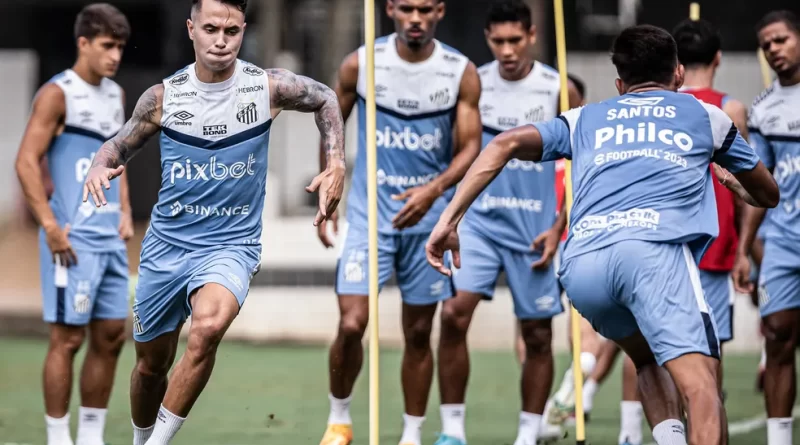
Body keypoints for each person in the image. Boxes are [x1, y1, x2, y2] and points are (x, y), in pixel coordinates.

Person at [426, 24, 778, 445]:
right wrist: (738, 186)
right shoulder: (706, 115)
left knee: (646, 357)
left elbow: (502, 144)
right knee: (701, 383)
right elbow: (767, 193)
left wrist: (448, 220)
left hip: (584, 268)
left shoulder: (585, 117)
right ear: (679, 75)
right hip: (653, 255)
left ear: (619, 83)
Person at [80, 0, 346, 444]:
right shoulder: (163, 98)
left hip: (231, 245)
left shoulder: (267, 88)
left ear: (243, 31)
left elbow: (326, 98)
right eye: (210, 29)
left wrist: (335, 162)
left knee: (206, 329)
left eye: (232, 30)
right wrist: (97, 165)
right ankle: (141, 437)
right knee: (150, 367)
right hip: (167, 247)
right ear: (190, 29)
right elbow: (118, 145)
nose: (221, 40)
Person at [315, 1, 481, 444]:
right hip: (370, 221)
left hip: (428, 226)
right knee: (352, 324)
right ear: (389, 9)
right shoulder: (362, 64)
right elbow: (332, 126)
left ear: (441, 11)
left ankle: (412, 434)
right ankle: (339, 420)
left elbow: (471, 147)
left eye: (425, 9)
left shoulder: (459, 71)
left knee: (420, 331)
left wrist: (433, 191)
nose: (415, 18)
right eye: (406, 7)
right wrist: (330, 195)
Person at [434, 2, 580, 444]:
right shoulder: (474, 81)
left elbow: (584, 165)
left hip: (533, 227)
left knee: (537, 333)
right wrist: (449, 213)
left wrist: (560, 225)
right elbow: (460, 154)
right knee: (454, 315)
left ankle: (527, 434)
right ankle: (453, 432)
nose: (507, 50)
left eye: (515, 40)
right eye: (497, 41)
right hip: (479, 222)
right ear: (487, 39)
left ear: (532, 36)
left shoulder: (559, 88)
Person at [14, 4, 132, 445]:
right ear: (83, 44)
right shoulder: (57, 94)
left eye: (120, 46)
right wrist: (49, 225)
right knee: (67, 340)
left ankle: (91, 437)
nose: (115, 55)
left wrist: (123, 209)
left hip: (109, 240)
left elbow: (117, 159)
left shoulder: (118, 95)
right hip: (71, 239)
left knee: (112, 336)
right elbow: (26, 161)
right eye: (107, 46)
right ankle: (58, 438)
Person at [732, 10, 800, 445]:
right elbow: (763, 185)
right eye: (766, 44)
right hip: (784, 243)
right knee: (776, 336)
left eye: (781, 39)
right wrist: (742, 248)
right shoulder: (764, 109)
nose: (773, 49)